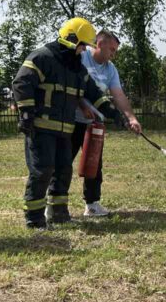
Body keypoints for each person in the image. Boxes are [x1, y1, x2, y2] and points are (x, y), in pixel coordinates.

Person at [12, 18, 118, 228]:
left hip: (64, 130)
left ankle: (58, 213)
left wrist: (111, 112)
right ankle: (34, 219)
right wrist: (26, 113)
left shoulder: (76, 67)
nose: (83, 51)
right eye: (82, 46)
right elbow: (22, 82)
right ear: (71, 40)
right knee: (43, 170)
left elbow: (93, 92)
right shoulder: (43, 57)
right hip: (41, 127)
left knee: (63, 170)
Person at [67, 29, 142, 217]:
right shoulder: (81, 57)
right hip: (70, 121)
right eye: (112, 49)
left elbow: (118, 95)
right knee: (62, 162)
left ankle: (92, 205)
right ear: (99, 44)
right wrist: (82, 104)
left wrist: (131, 118)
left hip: (94, 125)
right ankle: (54, 204)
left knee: (94, 164)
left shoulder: (110, 69)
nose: (113, 55)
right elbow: (70, 84)